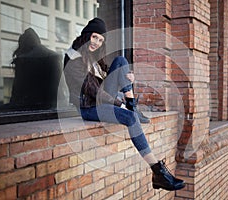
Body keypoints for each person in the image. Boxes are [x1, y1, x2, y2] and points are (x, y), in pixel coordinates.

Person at [64, 17, 185, 191]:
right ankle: (157, 171)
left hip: (100, 101)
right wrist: (118, 102)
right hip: (88, 108)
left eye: (100, 40)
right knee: (129, 118)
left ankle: (132, 104)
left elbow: (106, 80)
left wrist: (128, 80)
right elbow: (93, 91)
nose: (96, 43)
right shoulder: (73, 59)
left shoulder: (91, 57)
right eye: (94, 37)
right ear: (87, 35)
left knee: (121, 62)